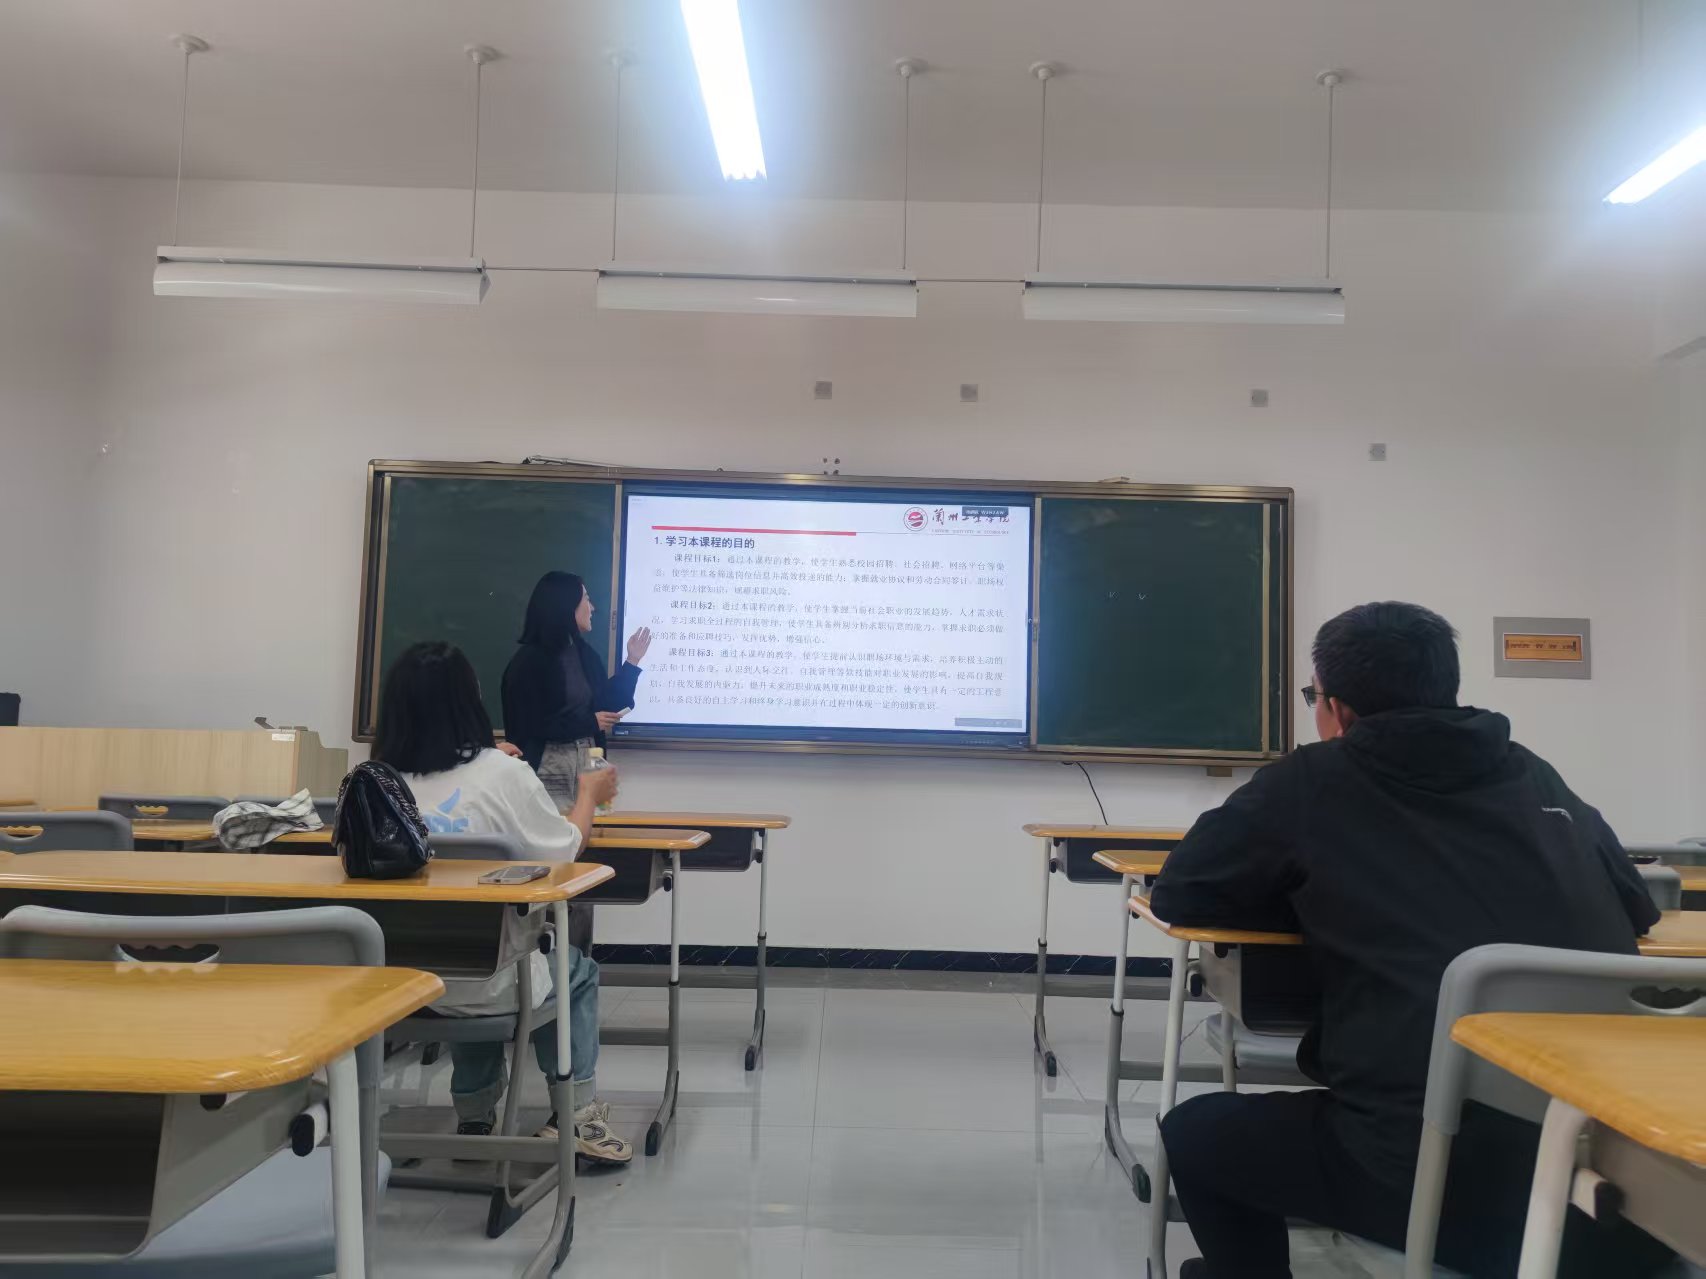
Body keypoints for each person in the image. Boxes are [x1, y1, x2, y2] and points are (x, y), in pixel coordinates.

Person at [1150, 601, 1670, 1279]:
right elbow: (1638, 906)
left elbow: (1180, 892)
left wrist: (1314, 899)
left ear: (1335, 708)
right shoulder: (1533, 773)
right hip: (1631, 1199)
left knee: (1197, 1134)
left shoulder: (1311, 781)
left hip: (1433, 1187)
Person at [371, 640, 631, 1165]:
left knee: (463, 947)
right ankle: (577, 1115)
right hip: (489, 981)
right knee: (563, 969)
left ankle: (474, 1116)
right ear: (471, 701)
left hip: (398, 987)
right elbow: (564, 850)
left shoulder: (373, 782)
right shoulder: (502, 775)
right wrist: (587, 795)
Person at [501, 570, 653, 807]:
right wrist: (589, 723)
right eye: (586, 599)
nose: (592, 608)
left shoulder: (584, 653)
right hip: (549, 769)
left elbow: (606, 704)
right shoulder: (530, 662)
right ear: (566, 604)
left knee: (587, 827)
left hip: (588, 761)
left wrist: (632, 662)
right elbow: (529, 725)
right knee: (555, 827)